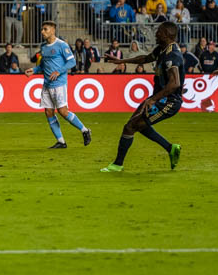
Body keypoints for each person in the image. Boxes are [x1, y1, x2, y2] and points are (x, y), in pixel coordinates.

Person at [100, 22, 184, 172]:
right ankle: (170, 148)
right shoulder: (162, 49)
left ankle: (117, 165)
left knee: (131, 126)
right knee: (135, 125)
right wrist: (122, 61)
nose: (156, 34)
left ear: (166, 34)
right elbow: (145, 58)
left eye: (159, 31)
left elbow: (174, 83)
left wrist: (153, 99)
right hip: (159, 98)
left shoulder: (173, 54)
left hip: (168, 101)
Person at [24, 21, 91, 149]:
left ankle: (85, 130)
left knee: (62, 111)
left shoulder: (61, 45)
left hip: (59, 84)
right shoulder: (43, 46)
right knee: (48, 112)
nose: (42, 32)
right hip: (47, 84)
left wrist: (58, 71)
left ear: (53, 30)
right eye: (42, 29)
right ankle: (61, 142)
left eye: (45, 29)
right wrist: (34, 70)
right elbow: (44, 65)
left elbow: (71, 62)